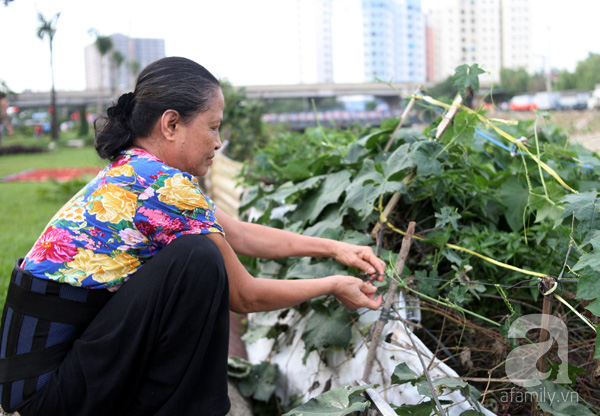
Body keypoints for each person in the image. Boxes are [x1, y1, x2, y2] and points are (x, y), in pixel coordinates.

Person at [0, 57, 385, 416]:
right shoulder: (162, 185)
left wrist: (337, 248)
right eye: (213, 126)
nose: (218, 142)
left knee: (201, 250)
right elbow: (245, 295)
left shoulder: (141, 170)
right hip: (48, 394)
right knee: (198, 260)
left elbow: (239, 234)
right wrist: (333, 284)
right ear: (171, 124)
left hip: (40, 379)